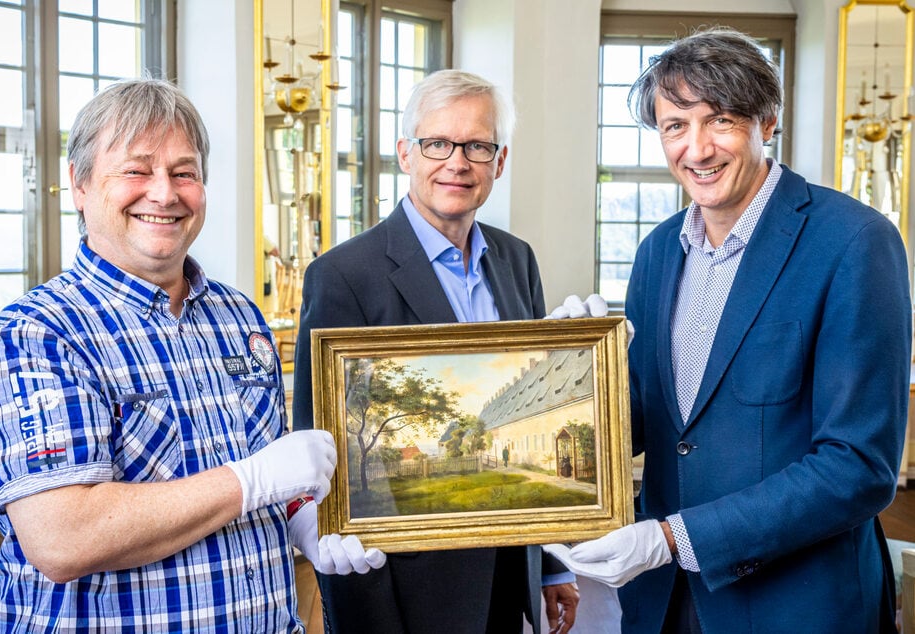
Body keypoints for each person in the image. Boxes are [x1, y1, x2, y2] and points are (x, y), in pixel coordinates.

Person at [0, 78, 383, 633]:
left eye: (184, 172)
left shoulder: (239, 318)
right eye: (137, 170)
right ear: (81, 185)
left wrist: (306, 519)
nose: (164, 193)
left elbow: (266, 485)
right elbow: (63, 537)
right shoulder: (35, 335)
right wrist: (251, 481)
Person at [544, 27, 911, 632]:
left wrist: (672, 539)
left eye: (719, 121)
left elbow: (858, 466)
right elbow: (639, 422)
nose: (697, 149)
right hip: (663, 604)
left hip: (796, 604)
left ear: (766, 121)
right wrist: (574, 375)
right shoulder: (658, 251)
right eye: (674, 126)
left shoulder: (854, 241)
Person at [293, 69, 580, 634]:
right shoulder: (343, 275)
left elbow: (538, 462)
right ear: (406, 153)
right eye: (438, 144)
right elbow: (319, 450)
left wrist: (548, 564)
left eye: (477, 145)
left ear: (499, 161)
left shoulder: (517, 260)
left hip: (505, 571)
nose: (458, 161)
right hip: (401, 583)